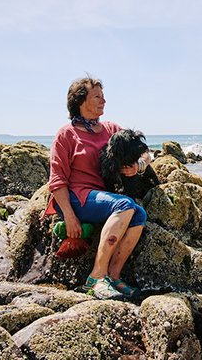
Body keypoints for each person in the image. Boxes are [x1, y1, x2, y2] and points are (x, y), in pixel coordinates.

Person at [43, 76, 150, 300]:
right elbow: (57, 180)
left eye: (103, 96)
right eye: (97, 96)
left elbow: (144, 152)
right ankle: (96, 278)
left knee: (139, 214)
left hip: (104, 197)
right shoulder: (66, 134)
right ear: (80, 101)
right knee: (125, 204)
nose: (104, 100)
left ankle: (114, 275)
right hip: (76, 198)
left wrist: (138, 167)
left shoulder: (111, 128)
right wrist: (70, 217)